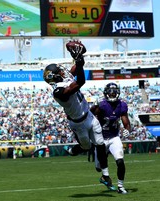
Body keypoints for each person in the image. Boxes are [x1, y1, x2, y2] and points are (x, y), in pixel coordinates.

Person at [43, 40, 114, 190]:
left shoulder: (64, 78)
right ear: (55, 77)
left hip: (88, 116)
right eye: (59, 71)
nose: (63, 71)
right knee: (87, 146)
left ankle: (105, 176)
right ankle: (77, 149)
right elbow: (80, 80)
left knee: (100, 144)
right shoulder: (59, 92)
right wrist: (80, 63)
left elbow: (75, 68)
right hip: (77, 123)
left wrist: (78, 55)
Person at [90, 82, 131, 194]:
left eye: (114, 92)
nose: (112, 94)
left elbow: (126, 122)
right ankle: (104, 177)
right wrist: (94, 106)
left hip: (114, 137)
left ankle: (121, 186)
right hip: (100, 138)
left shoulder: (122, 105)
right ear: (106, 93)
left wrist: (127, 130)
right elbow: (90, 114)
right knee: (99, 168)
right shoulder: (102, 105)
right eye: (110, 92)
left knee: (120, 162)